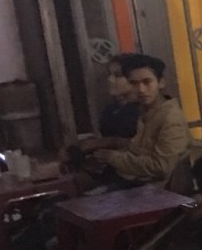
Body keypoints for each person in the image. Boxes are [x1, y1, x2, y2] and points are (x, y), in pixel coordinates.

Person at [69, 52, 189, 188]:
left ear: (161, 82)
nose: (141, 90)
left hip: (153, 189)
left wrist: (113, 157)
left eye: (147, 82)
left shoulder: (170, 118)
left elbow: (161, 166)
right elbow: (138, 151)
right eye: (134, 83)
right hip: (135, 181)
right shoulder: (147, 111)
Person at [92, 56, 140, 145]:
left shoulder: (143, 110)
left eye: (117, 75)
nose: (110, 79)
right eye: (109, 74)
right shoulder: (110, 110)